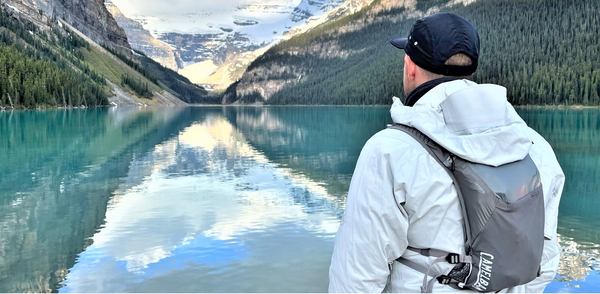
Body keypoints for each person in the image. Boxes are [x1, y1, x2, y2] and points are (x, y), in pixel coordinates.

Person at [328, 12, 564, 293]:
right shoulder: (535, 148)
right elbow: (543, 258)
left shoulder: (389, 152)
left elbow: (356, 277)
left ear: (410, 66)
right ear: (469, 69)